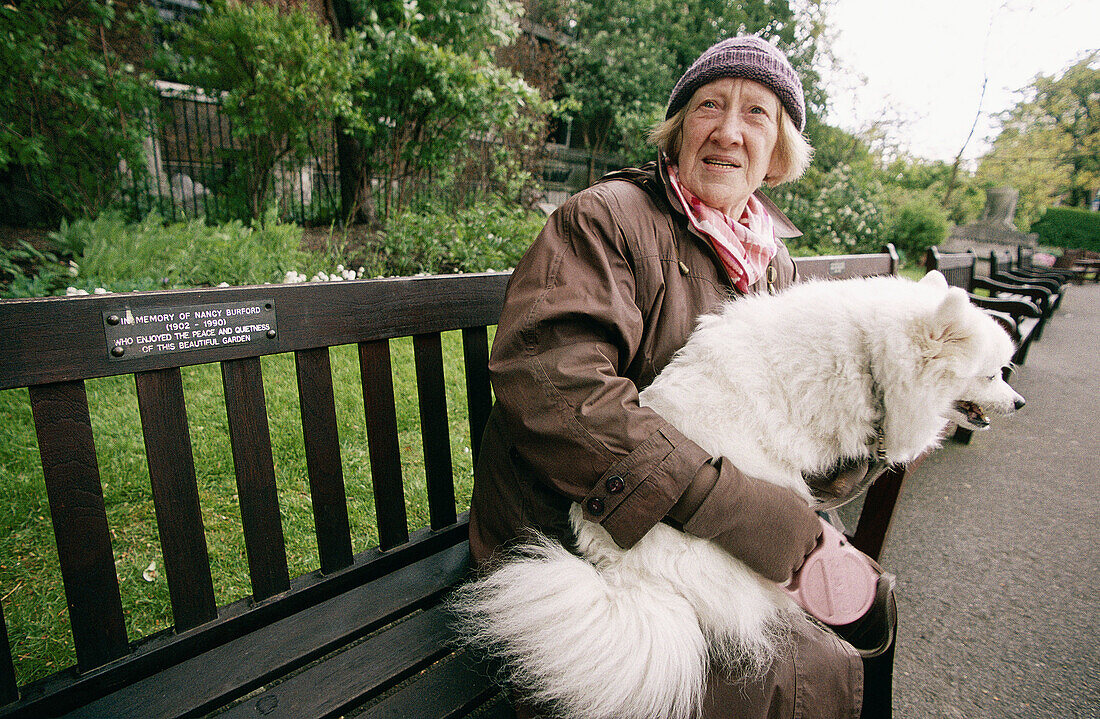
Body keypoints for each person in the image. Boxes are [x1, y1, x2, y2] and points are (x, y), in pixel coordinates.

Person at [468, 35, 892, 719]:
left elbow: (794, 425)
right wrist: (739, 510)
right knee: (812, 666)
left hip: (696, 536)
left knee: (871, 602)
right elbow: (557, 391)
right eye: (708, 106)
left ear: (779, 150)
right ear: (677, 130)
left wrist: (876, 429)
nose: (728, 130)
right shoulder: (605, 219)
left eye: (757, 113)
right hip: (575, 535)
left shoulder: (772, 265)